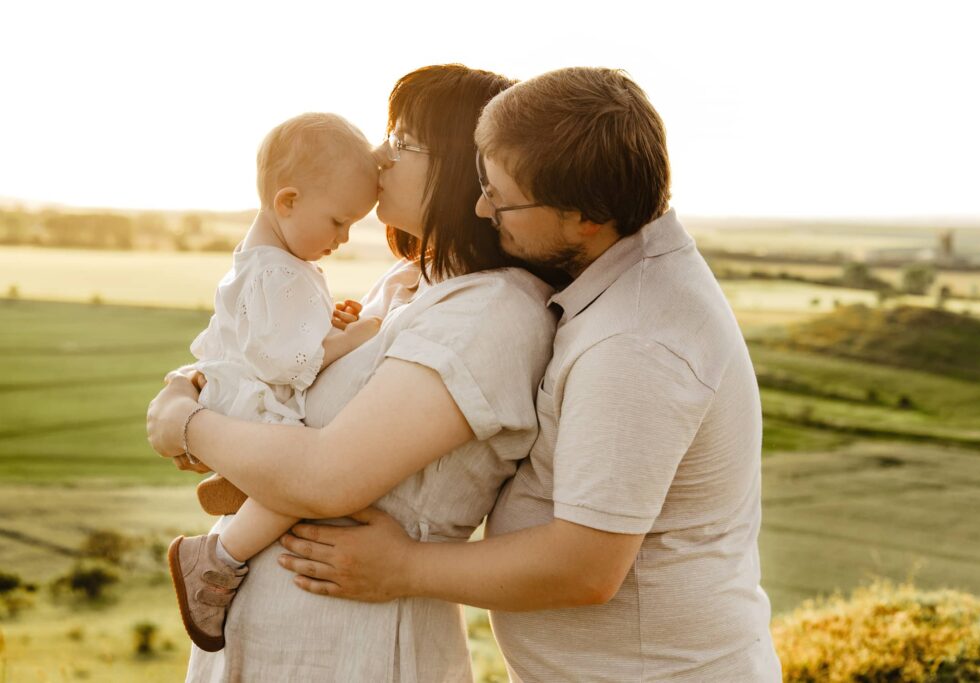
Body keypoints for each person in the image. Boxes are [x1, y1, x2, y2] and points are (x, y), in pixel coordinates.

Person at [274, 67, 784, 681]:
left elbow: (584, 567)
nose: (483, 207)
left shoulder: (636, 342)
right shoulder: (619, 281)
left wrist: (402, 567)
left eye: (504, 198)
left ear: (585, 219)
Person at [147, 64, 557, 681]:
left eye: (402, 140)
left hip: (357, 648)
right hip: (265, 636)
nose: (379, 156)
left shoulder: (492, 311)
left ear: (461, 166)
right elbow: (295, 391)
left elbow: (327, 476)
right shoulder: (406, 283)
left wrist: (186, 423)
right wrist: (212, 392)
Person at [165, 112, 382, 652]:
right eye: (338, 222)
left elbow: (271, 332)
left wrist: (322, 322)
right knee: (308, 477)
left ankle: (239, 486)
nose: (344, 237)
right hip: (254, 400)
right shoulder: (278, 272)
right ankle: (214, 560)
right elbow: (288, 364)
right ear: (287, 201)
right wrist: (355, 340)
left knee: (301, 471)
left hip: (232, 389)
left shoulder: (266, 260)